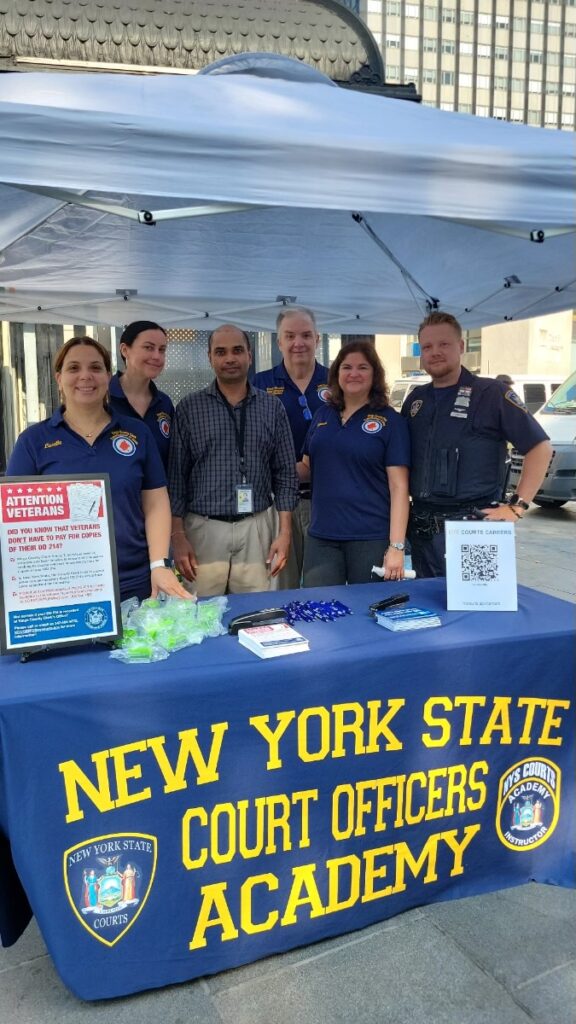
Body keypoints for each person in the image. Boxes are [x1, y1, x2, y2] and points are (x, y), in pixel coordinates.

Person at [7, 336, 192, 603]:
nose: (85, 376)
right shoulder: (33, 441)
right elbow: (17, 521)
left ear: (108, 376)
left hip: (135, 580)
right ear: (59, 378)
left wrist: (158, 565)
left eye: (95, 368)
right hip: (63, 585)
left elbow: (155, 502)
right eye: (74, 368)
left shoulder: (136, 432)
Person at [402, 311, 552, 578]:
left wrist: (518, 506)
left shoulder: (491, 393)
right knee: (431, 612)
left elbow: (540, 447)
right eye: (427, 346)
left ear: (461, 347)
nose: (435, 352)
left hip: (474, 526)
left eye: (444, 344)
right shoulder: (416, 401)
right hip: (423, 532)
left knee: (476, 611)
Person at [168, 324, 299, 597]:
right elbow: (176, 478)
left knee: (256, 615)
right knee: (199, 615)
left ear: (249, 356)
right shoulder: (189, 408)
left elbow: (286, 474)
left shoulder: (271, 407)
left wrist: (284, 533)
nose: (230, 358)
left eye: (237, 350)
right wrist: (178, 537)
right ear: (210, 358)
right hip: (203, 530)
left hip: (257, 527)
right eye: (221, 352)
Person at [301, 341, 410, 586]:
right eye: (346, 367)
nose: (354, 373)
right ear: (337, 373)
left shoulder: (391, 421)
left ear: (375, 375)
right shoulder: (323, 415)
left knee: (368, 615)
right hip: (322, 536)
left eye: (362, 367)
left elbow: (399, 488)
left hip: (370, 538)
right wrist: (268, 469)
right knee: (319, 612)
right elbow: (307, 468)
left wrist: (396, 546)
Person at [253, 307, 330, 589]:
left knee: (320, 584)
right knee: (280, 584)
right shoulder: (259, 384)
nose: (299, 342)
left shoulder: (338, 381)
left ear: (317, 339)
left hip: (325, 502)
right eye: (290, 335)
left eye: (306, 335)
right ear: (279, 342)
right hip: (276, 505)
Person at [108, 320, 174, 468]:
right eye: (148, 348)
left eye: (162, 350)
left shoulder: (164, 403)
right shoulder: (101, 399)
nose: (157, 356)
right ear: (125, 350)